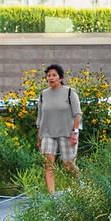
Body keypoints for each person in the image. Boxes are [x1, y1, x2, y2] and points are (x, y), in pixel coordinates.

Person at [36, 63, 81, 194]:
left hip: (67, 133)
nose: (51, 78)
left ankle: (80, 186)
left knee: (68, 163)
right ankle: (52, 197)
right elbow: (40, 118)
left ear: (60, 77)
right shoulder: (43, 94)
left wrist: (75, 132)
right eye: (48, 75)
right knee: (48, 165)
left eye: (54, 75)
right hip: (47, 134)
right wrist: (39, 137)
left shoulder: (69, 92)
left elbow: (77, 114)